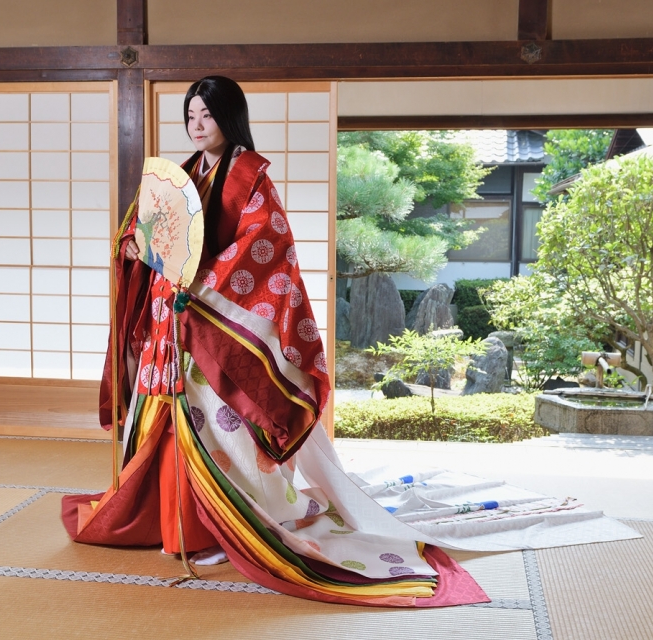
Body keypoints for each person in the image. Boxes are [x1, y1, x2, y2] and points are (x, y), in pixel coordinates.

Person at [62, 77, 486, 607]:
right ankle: (173, 525)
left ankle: (220, 530)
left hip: (213, 327)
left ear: (229, 117)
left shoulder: (251, 176)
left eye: (206, 115)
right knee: (161, 427)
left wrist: (200, 287)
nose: (196, 124)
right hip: (170, 326)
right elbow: (144, 237)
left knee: (221, 436)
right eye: (190, 115)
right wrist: (134, 246)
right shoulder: (183, 176)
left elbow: (267, 247)